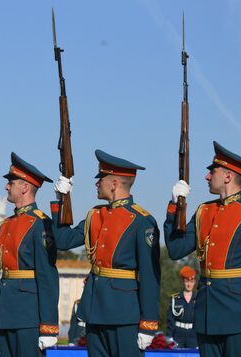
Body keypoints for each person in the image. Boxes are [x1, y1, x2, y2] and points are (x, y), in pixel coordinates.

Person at [165, 141, 241, 356]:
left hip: (240, 318)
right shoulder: (204, 211)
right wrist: (174, 206)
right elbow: (175, 249)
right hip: (207, 316)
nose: (207, 177)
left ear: (228, 176)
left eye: (212, 171)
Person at [52, 150, 161, 356]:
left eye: (100, 179)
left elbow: (150, 275)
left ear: (113, 183)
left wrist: (148, 323)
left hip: (125, 314)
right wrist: (60, 201)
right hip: (95, 310)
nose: (96, 183)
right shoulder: (95, 215)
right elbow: (63, 240)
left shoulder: (141, 220)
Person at [0, 152, 59, 357]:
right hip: (4, 315)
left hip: (28, 318)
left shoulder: (40, 225)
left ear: (25, 187)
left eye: (11, 182)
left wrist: (49, 326)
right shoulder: (4, 225)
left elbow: (48, 277)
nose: (6, 186)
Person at [166, 266, 197, 348]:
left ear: (194, 282)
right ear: (183, 281)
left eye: (191, 281)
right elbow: (170, 320)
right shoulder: (175, 299)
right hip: (178, 333)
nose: (189, 284)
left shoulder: (199, 299)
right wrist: (169, 337)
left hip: (193, 334)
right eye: (186, 281)